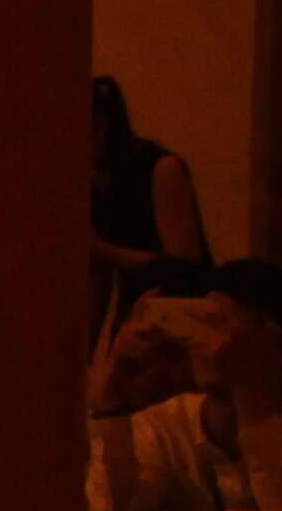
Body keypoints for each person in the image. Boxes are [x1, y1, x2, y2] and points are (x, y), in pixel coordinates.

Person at [85, 257, 282, 511]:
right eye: (205, 321)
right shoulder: (166, 426)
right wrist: (113, 400)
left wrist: (249, 395)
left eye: (224, 324)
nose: (213, 341)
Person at [89, 75, 212, 339]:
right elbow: (100, 282)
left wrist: (99, 248)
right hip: (136, 314)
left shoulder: (160, 169)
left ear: (101, 126)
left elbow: (184, 267)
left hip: (178, 318)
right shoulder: (94, 181)